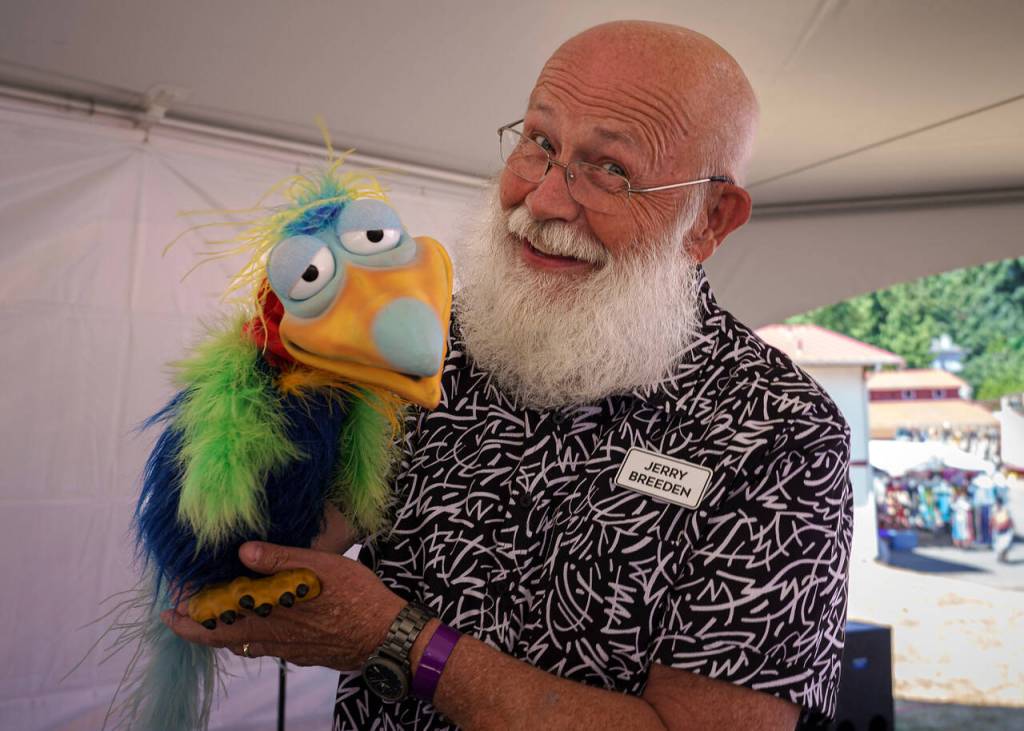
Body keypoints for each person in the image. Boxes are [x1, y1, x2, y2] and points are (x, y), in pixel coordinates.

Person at [165, 20, 853, 730]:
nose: (546, 200)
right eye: (541, 144)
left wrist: (400, 643)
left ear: (711, 219)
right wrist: (254, 395)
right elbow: (270, 549)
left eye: (611, 170)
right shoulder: (431, 341)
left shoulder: (779, 433)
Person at [991, 495, 1014, 563]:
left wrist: (1010, 526)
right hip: (997, 530)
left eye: (998, 503)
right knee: (998, 545)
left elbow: (1009, 519)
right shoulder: (994, 510)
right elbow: (992, 520)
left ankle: (1004, 556)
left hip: (1005, 530)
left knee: (1006, 544)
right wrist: (993, 526)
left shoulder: (1005, 509)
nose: (997, 504)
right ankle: (1000, 556)